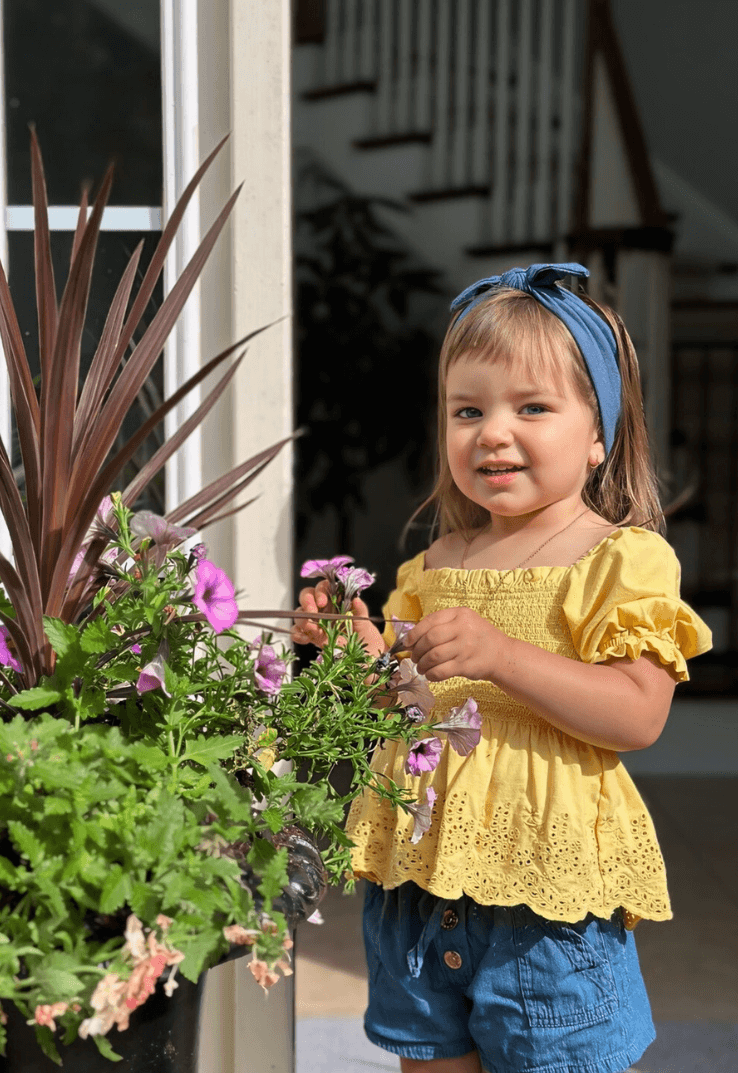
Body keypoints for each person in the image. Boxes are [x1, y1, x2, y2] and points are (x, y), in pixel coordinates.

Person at [291, 263, 713, 1073]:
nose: (491, 431)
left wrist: (504, 655)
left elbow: (638, 713)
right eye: (468, 410)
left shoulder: (619, 560)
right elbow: (408, 712)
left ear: (599, 434)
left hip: (546, 908)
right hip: (419, 887)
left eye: (531, 407)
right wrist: (358, 658)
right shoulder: (431, 565)